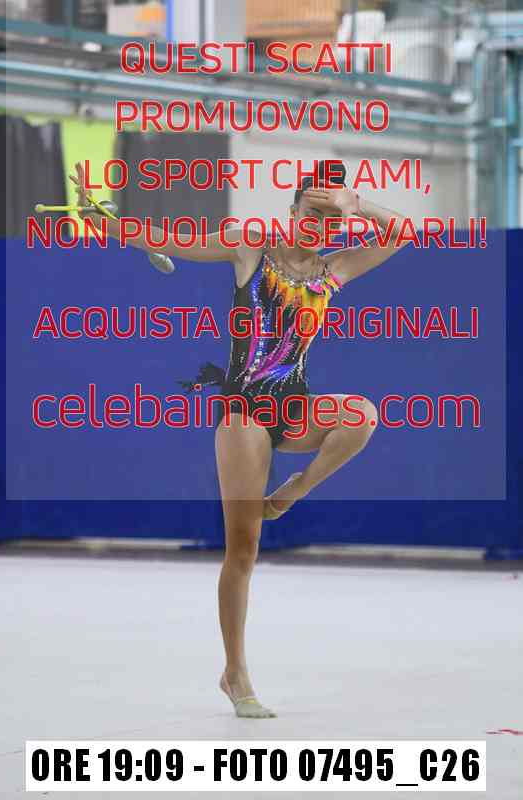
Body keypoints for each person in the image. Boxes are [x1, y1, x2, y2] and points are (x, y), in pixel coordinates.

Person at [70, 159, 412, 718]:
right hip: (245, 411)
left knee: (362, 415)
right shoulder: (252, 249)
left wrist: (357, 205)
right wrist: (107, 222)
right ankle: (235, 672)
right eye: (312, 214)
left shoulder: (334, 270)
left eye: (331, 219)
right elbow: (171, 240)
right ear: (291, 212)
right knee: (244, 549)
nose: (320, 226)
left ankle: (293, 491)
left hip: (295, 406)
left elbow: (405, 232)